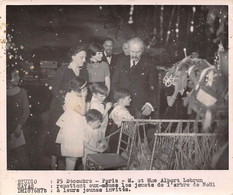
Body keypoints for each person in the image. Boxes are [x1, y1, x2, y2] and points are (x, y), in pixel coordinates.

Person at [45, 45, 88, 170]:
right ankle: (54, 161)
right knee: (57, 133)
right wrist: (64, 101)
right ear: (73, 57)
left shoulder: (84, 71)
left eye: (85, 57)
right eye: (82, 57)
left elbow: (84, 90)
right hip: (60, 106)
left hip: (75, 108)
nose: (84, 60)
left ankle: (67, 159)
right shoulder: (63, 70)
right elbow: (55, 88)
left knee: (72, 135)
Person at [112, 37, 158, 118]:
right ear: (128, 50)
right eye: (132, 52)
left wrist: (149, 105)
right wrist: (116, 101)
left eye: (137, 52)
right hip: (121, 106)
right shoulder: (121, 60)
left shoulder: (149, 64)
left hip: (140, 107)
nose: (134, 55)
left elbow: (154, 87)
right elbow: (115, 83)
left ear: (142, 51)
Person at [55, 77, 88, 170]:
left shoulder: (73, 95)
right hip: (73, 128)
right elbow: (82, 112)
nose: (86, 90)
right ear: (79, 88)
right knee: (72, 157)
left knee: (72, 157)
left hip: (75, 126)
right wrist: (84, 98)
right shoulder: (71, 97)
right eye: (84, 88)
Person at [7, 68, 30, 169]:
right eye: (15, 75)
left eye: (18, 75)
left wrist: (19, 126)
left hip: (17, 129)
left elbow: (26, 112)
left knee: (22, 156)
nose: (18, 77)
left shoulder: (22, 92)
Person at [106, 88, 134, 153]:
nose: (131, 100)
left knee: (113, 150)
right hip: (121, 134)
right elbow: (129, 122)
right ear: (121, 100)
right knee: (120, 150)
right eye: (128, 98)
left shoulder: (115, 108)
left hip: (113, 131)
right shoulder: (123, 111)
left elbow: (110, 116)